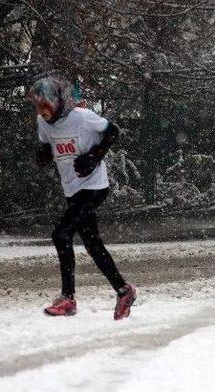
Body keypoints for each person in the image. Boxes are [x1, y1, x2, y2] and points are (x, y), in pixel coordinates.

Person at [26, 74, 136, 320]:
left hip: (95, 186)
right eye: (38, 106)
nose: (43, 111)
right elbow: (46, 145)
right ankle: (124, 290)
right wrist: (43, 154)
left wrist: (94, 156)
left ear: (59, 101)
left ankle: (68, 299)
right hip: (73, 190)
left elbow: (113, 132)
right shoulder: (43, 124)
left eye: (46, 105)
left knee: (61, 234)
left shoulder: (83, 118)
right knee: (92, 244)